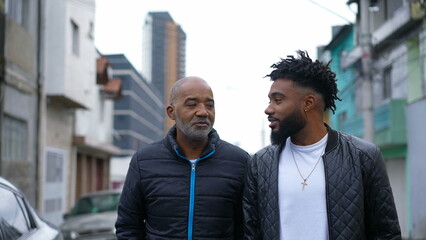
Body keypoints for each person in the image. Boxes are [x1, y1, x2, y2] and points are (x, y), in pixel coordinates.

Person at [243, 50, 401, 240]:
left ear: (308, 102)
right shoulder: (261, 163)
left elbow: (386, 232)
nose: (268, 109)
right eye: (270, 101)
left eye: (278, 100)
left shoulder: (363, 156)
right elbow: (250, 233)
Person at [116, 76, 249, 240]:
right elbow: (128, 226)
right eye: (192, 104)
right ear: (171, 112)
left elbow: (248, 228)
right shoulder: (143, 161)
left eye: (209, 105)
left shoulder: (239, 162)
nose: (203, 112)